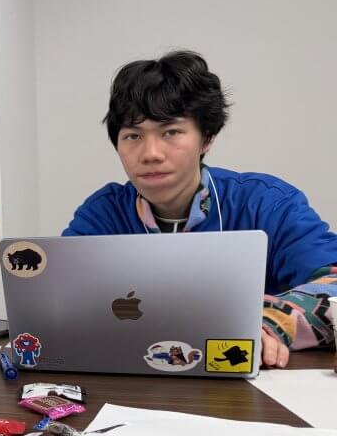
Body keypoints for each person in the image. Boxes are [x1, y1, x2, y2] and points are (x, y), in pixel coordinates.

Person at [64, 50, 337, 368]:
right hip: (136, 379)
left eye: (170, 132)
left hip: (243, 380)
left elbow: (333, 283)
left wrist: (265, 323)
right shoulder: (103, 214)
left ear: (207, 138)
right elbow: (59, 298)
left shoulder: (266, 203)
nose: (150, 153)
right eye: (133, 136)